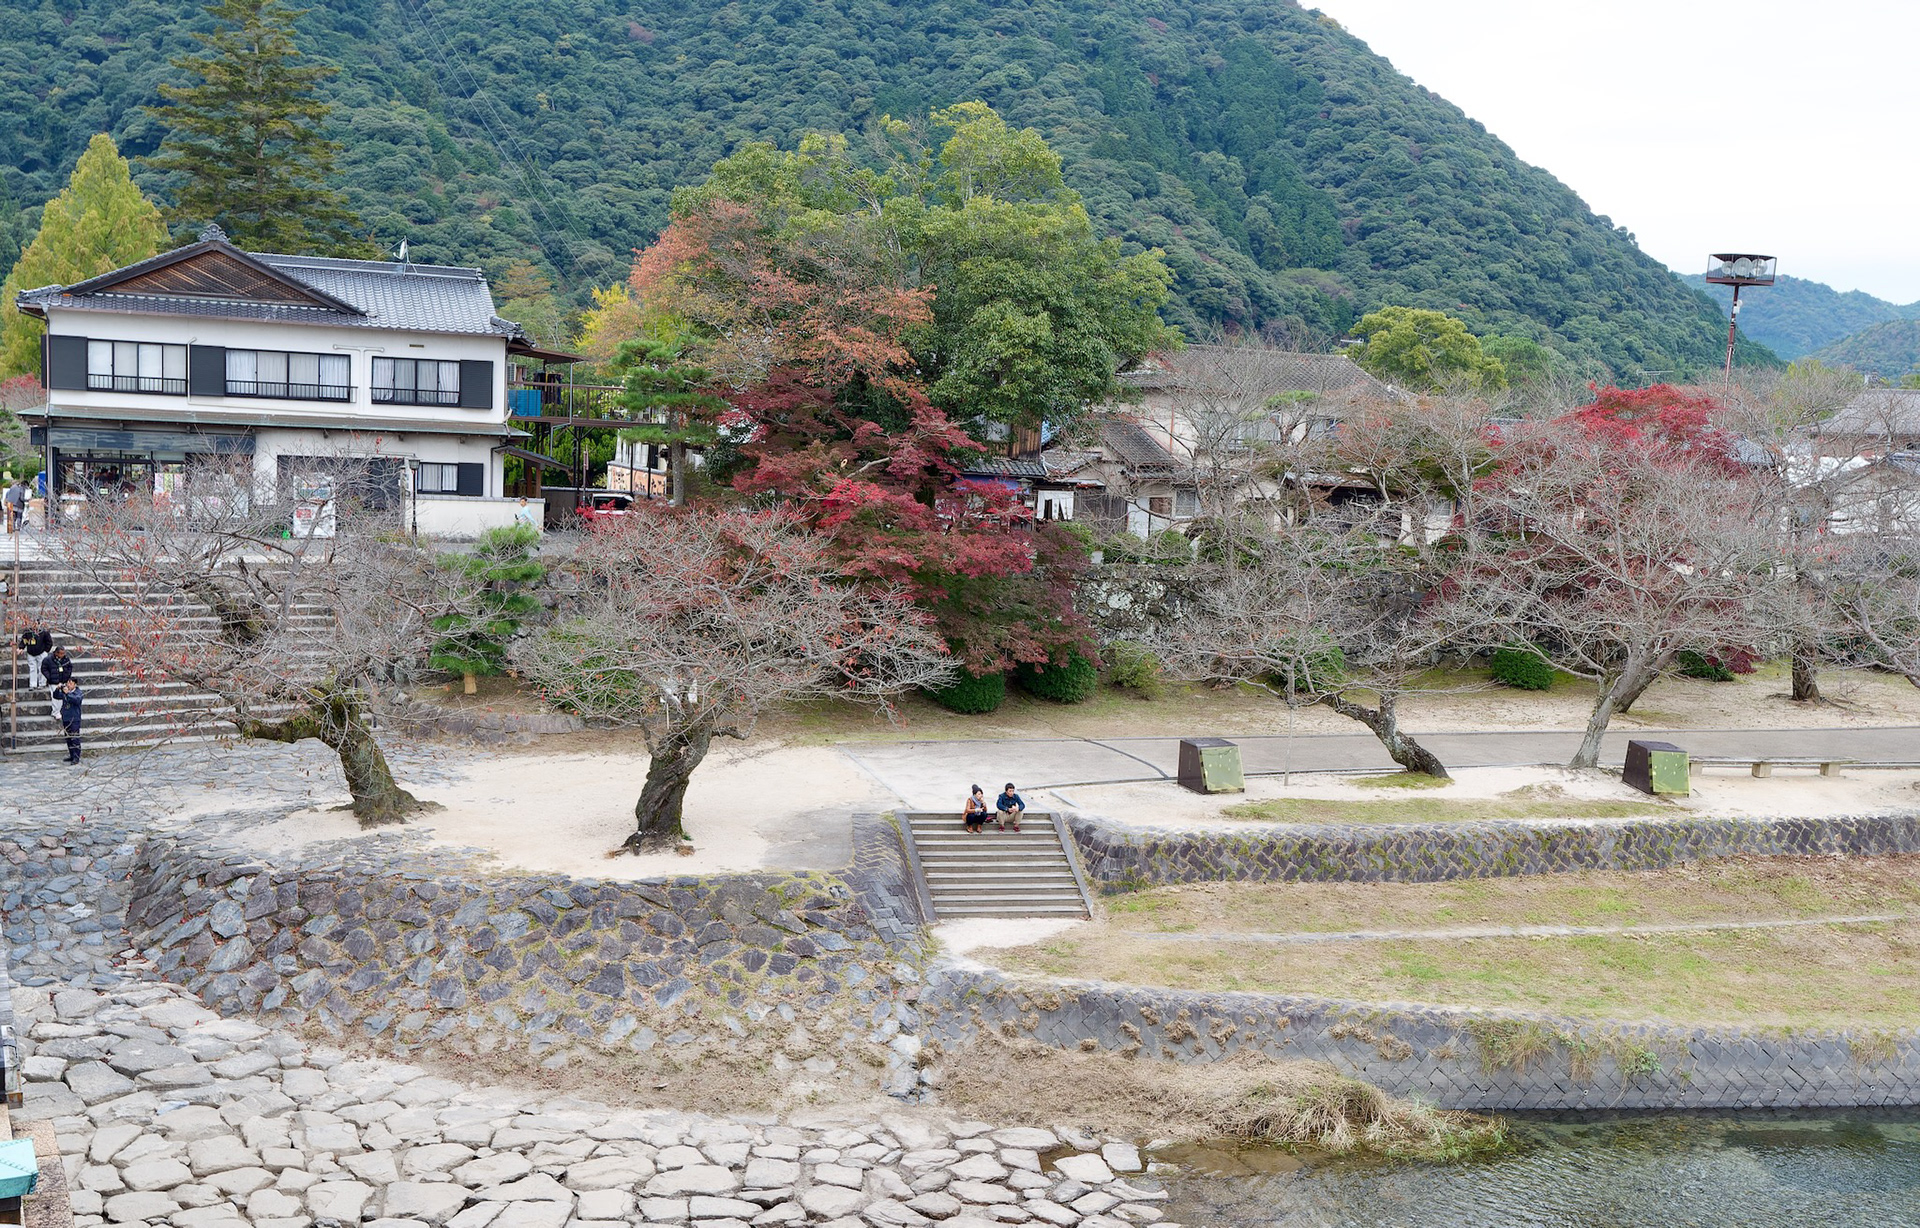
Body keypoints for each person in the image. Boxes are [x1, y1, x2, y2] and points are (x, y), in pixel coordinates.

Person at [56, 679, 83, 764]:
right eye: (67, 683)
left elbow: (76, 700)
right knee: (68, 738)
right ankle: (72, 755)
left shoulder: (78, 693)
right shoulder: (65, 692)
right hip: (66, 717)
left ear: (75, 684)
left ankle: (76, 757)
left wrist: (68, 693)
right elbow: (56, 696)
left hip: (74, 718)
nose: (68, 685)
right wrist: (57, 689)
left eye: (71, 683)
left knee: (75, 738)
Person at [43, 644, 73, 718]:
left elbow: (70, 667)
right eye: (61, 653)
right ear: (56, 653)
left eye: (63, 653)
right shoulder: (48, 659)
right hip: (53, 681)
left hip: (63, 680)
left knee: (62, 697)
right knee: (55, 697)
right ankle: (55, 712)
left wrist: (67, 676)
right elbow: (44, 669)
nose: (63, 655)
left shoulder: (66, 659)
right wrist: (49, 677)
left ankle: (58, 711)